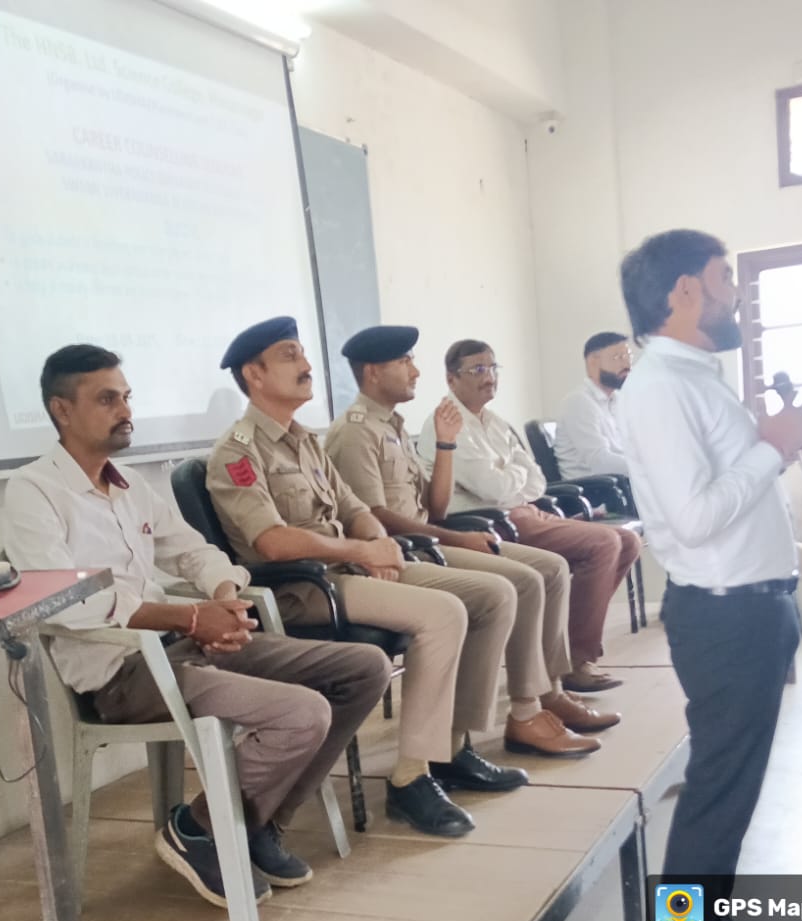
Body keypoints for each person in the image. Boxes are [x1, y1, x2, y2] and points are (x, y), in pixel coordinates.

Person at [3, 344, 390, 907]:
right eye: (107, 400)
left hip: (183, 647)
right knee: (303, 713)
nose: (125, 410)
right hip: (120, 673)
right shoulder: (34, 491)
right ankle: (199, 827)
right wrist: (188, 616)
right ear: (62, 410)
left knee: (364, 669)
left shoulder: (129, 484)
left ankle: (252, 825)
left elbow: (194, 552)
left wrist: (225, 599)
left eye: (127, 397)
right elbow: (63, 603)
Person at [206, 316, 533, 841]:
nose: (307, 365)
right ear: (255, 374)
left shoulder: (305, 441)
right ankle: (411, 778)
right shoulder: (237, 452)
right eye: (290, 356)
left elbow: (357, 508)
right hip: (303, 590)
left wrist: (376, 542)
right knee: (443, 613)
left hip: (348, 572)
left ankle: (450, 748)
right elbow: (273, 542)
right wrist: (361, 549)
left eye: (303, 354)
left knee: (492, 594)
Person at [615, 228, 802, 921]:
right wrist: (772, 451)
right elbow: (697, 518)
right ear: (684, 292)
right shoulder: (659, 388)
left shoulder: (699, 378)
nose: (736, 291)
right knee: (711, 806)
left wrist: (767, 450)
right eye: (724, 277)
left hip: (757, 607)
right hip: (725, 617)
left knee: (729, 800)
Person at [323, 324, 618, 752]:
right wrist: (458, 540)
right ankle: (522, 713)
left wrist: (445, 446)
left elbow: (435, 507)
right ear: (373, 372)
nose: (415, 371)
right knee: (519, 583)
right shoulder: (355, 431)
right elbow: (377, 518)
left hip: (427, 540)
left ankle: (549, 692)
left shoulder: (394, 426)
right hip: (405, 550)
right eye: (404, 362)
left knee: (550, 569)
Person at [419, 339, 642, 692]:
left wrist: (509, 475)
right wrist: (513, 476)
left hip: (525, 510)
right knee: (603, 544)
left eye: (493, 368)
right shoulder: (445, 423)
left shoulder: (495, 422)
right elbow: (494, 489)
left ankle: (563, 646)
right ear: (451, 379)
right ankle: (575, 661)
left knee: (628, 541)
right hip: (490, 523)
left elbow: (537, 481)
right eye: (477, 370)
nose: (489, 377)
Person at [554, 331, 633, 479]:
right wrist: (647, 469)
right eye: (618, 357)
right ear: (593, 362)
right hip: (596, 489)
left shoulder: (616, 400)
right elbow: (600, 462)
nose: (627, 364)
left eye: (628, 356)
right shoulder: (579, 402)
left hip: (621, 482)